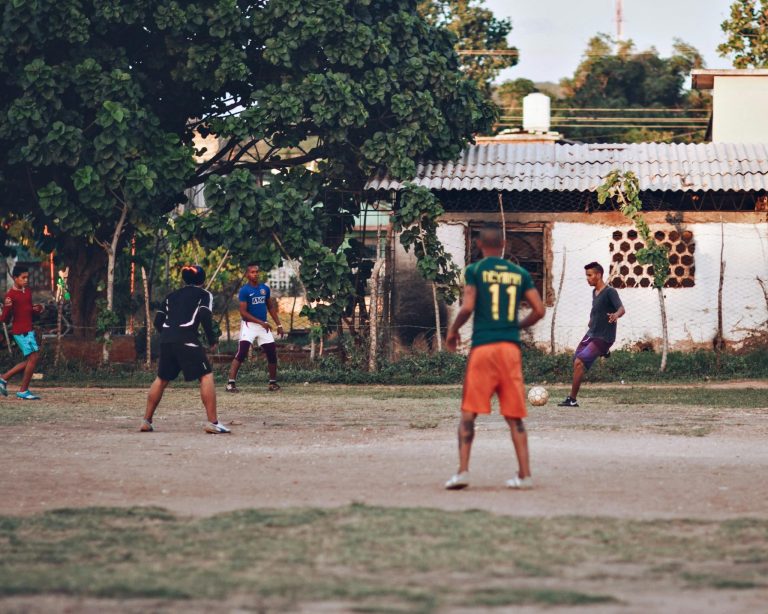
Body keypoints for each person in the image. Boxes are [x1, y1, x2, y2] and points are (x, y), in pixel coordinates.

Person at [444, 228, 545, 490]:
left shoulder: (475, 271)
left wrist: (453, 331)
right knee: (514, 416)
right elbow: (540, 309)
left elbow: (467, 306)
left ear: (478, 244)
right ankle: (524, 475)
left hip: (484, 349)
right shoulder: (519, 273)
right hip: (510, 349)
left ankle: (463, 471)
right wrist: (518, 325)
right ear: (504, 244)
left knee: (468, 414)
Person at [141, 265, 230, 434]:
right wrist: (212, 339)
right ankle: (213, 422)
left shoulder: (170, 296)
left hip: (167, 340)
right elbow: (204, 315)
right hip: (187, 338)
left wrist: (170, 335)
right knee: (206, 375)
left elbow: (158, 322)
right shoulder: (205, 295)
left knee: (161, 379)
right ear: (203, 281)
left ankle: (146, 420)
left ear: (184, 279)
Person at [557, 262, 625, 408]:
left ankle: (572, 399)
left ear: (598, 275)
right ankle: (603, 351)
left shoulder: (610, 292)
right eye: (586, 275)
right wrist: (591, 320)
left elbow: (621, 309)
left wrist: (615, 315)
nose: (587, 278)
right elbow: (597, 310)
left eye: (589, 275)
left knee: (579, 363)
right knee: (576, 360)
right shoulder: (594, 292)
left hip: (604, 336)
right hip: (591, 333)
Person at [226, 263, 284, 393]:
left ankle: (272, 383)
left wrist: (279, 325)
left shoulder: (264, 289)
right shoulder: (244, 290)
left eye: (257, 272)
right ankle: (230, 383)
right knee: (242, 353)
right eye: (252, 272)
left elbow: (270, 307)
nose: (255, 274)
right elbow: (243, 312)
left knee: (271, 353)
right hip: (249, 326)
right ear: (247, 275)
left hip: (263, 325)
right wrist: (260, 322)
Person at [0, 265, 45, 400]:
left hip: (29, 330)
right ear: (15, 278)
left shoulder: (27, 292)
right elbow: (4, 319)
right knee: (33, 358)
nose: (26, 280)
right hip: (20, 331)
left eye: (27, 277)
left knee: (32, 359)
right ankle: (23, 390)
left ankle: (3, 378)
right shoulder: (10, 295)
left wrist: (37, 309)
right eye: (23, 278)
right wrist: (7, 308)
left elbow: (28, 311)